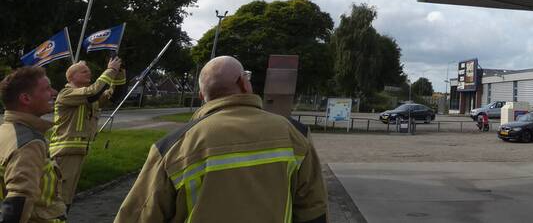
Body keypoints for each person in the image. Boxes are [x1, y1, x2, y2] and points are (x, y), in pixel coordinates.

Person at [114, 55, 327, 223]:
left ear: (201, 96)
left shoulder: (173, 146)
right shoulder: (294, 134)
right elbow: (313, 209)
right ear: (244, 83)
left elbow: (139, 214)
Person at [49, 57, 126, 206]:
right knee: (58, 198)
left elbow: (114, 95)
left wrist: (119, 74)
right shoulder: (66, 94)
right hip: (64, 154)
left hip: (77, 153)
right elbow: (93, 92)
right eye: (84, 71)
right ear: (71, 77)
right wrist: (111, 70)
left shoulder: (89, 98)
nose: (88, 74)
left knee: (67, 198)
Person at [0, 66, 66, 223]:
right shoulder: (29, 142)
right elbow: (18, 200)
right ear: (26, 99)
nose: (54, 93)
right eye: (46, 89)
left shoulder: (7, 130)